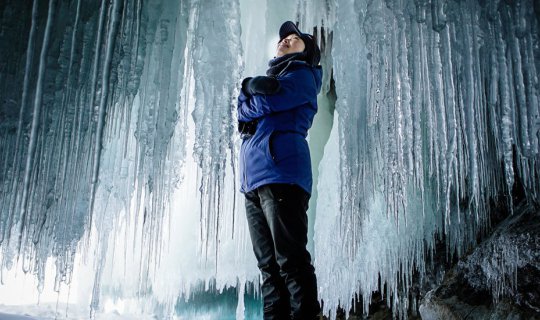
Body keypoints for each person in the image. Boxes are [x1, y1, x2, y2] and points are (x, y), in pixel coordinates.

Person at [237, 21, 322, 320]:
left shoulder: (304, 75)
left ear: (307, 51)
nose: (286, 40)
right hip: (254, 182)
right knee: (269, 270)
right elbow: (240, 112)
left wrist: (249, 94)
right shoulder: (276, 77)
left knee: (291, 262)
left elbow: (272, 98)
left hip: (281, 174)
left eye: (294, 38)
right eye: (283, 37)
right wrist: (249, 86)